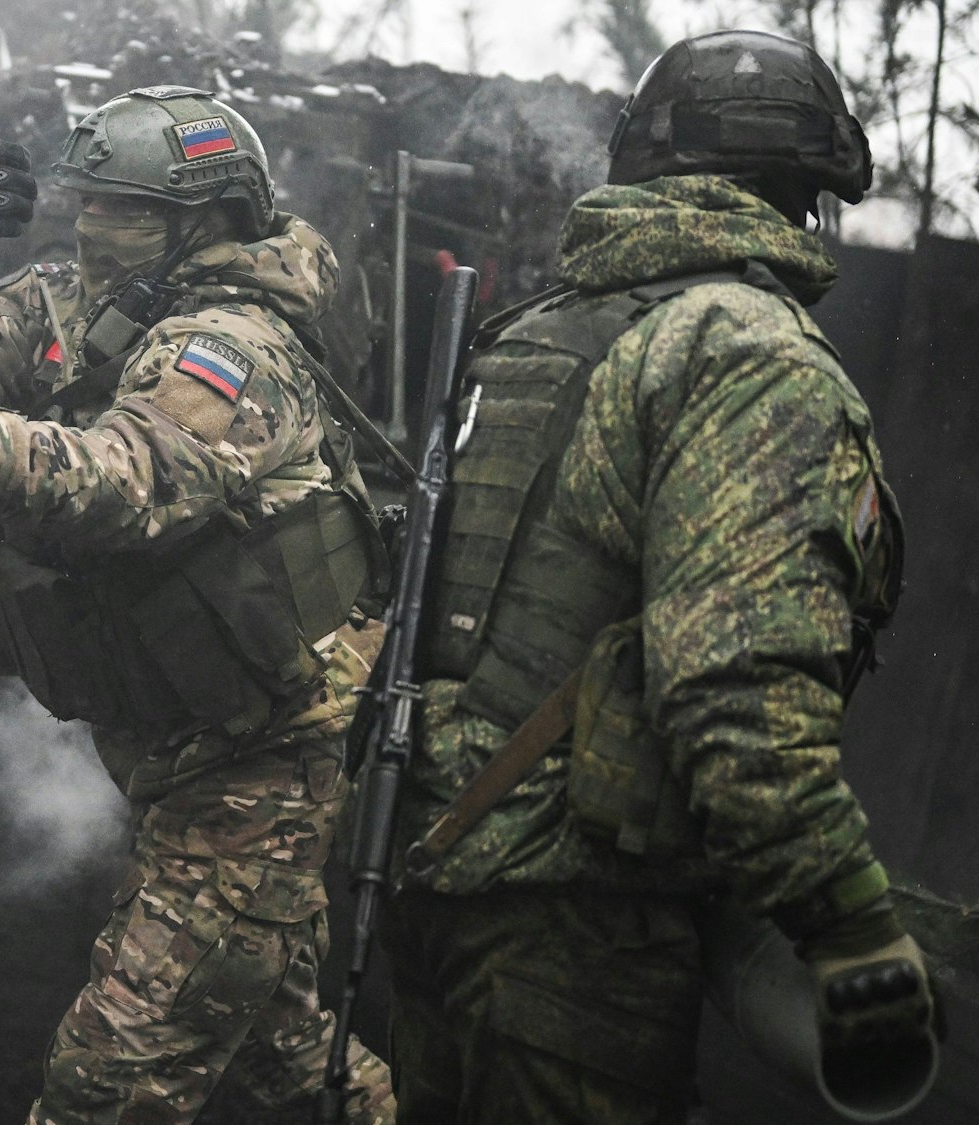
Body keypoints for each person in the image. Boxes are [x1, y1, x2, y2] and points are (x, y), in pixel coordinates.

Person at [378, 30, 930, 1123]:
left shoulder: (536, 330)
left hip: (431, 884)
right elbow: (737, 697)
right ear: (807, 191)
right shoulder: (744, 352)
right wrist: (852, 932)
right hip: (577, 927)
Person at [0, 85, 396, 1125]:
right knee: (287, 1061)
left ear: (206, 219)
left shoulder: (234, 345)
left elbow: (133, 479)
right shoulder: (80, 301)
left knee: (107, 1086)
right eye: (87, 200)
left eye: (125, 208)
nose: (93, 225)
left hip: (260, 756)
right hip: (172, 740)